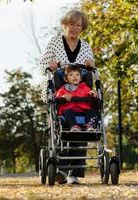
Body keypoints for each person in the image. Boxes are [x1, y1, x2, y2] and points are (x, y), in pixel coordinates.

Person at [38, 10, 95, 184]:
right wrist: (51, 65)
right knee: (63, 130)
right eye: (71, 24)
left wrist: (91, 65)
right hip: (61, 96)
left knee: (82, 129)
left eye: (78, 25)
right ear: (65, 25)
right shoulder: (55, 42)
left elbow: (92, 71)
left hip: (81, 97)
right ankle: (61, 171)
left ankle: (73, 173)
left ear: (82, 28)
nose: (74, 28)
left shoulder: (85, 46)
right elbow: (41, 67)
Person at [55, 65, 97, 131]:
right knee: (68, 112)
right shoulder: (63, 89)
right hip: (70, 112)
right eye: (71, 75)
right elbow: (57, 97)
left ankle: (89, 125)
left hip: (84, 111)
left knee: (92, 111)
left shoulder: (84, 87)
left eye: (77, 74)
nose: (75, 76)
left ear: (80, 78)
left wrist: (92, 93)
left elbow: (89, 93)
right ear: (66, 79)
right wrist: (63, 97)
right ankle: (74, 126)